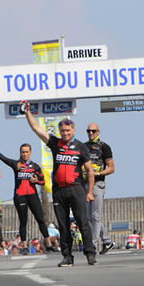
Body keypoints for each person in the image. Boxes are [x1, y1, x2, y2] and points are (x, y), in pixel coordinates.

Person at [20, 101, 97, 266]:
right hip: (59, 191)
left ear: (73, 131)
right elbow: (37, 129)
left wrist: (90, 192)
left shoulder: (81, 147)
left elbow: (90, 171)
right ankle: (67, 257)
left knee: (83, 222)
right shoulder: (55, 143)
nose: (65, 133)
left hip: (77, 189)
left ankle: (90, 254)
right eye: (62, 131)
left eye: (68, 131)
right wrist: (27, 112)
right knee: (63, 225)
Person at [0, 140, 48, 249]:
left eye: (27, 152)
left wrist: (36, 181)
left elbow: (43, 182)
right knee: (23, 221)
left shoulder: (35, 166)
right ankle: (24, 246)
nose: (25, 154)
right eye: (23, 152)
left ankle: (49, 244)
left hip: (33, 195)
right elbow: (3, 158)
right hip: (20, 196)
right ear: (20, 153)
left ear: (30, 152)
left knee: (40, 219)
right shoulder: (16, 165)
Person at [83, 122, 116, 253]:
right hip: (85, 184)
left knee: (95, 216)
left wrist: (97, 173)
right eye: (89, 131)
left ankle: (93, 245)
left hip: (98, 184)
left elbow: (111, 168)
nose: (91, 133)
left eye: (93, 131)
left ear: (98, 132)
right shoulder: (83, 146)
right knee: (87, 217)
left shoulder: (104, 147)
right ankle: (107, 241)